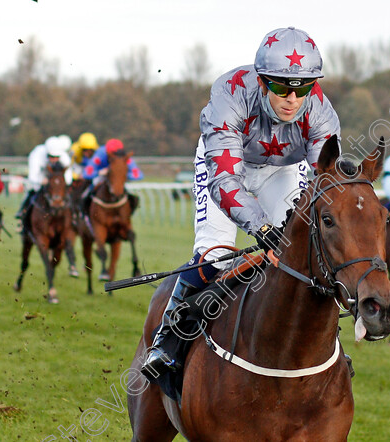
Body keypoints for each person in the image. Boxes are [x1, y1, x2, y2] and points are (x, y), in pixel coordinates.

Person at [141, 26, 340, 377]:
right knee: (215, 254)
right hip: (225, 165)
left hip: (282, 169)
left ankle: (326, 345)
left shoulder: (320, 113)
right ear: (262, 81)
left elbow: (328, 181)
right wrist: (261, 227)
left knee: (300, 250)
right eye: (281, 86)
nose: (292, 99)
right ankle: (168, 340)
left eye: (303, 88)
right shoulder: (230, 93)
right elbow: (226, 180)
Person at [16, 135, 73, 221]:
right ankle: (23, 212)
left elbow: (68, 179)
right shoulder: (36, 155)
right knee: (32, 191)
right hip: (41, 177)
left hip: (56, 179)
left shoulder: (64, 157)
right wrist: (42, 181)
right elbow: (33, 176)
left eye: (57, 157)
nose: (54, 159)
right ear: (47, 153)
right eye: (52, 157)